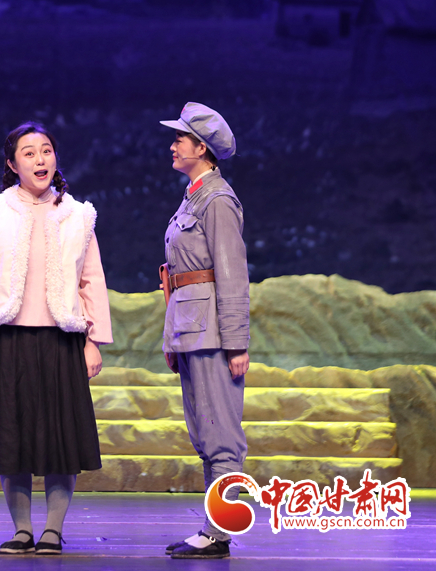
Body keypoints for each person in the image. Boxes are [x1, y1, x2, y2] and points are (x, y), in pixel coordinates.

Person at [0, 121, 113, 556]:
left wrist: (93, 341)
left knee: (62, 440)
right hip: (6, 341)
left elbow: (91, 280)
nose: (40, 159)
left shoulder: (78, 215)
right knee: (11, 438)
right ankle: (22, 529)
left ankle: (53, 530)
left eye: (46, 150)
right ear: (12, 164)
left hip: (61, 341)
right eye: (29, 152)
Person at [158, 103, 250, 559]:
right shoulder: (194, 196)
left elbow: (232, 275)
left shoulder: (217, 201)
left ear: (201, 148)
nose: (173, 145)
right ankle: (214, 529)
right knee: (203, 434)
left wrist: (236, 343)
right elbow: (177, 278)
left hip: (212, 333)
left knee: (221, 437)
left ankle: (219, 533)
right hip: (192, 329)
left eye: (180, 138)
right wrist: (171, 337)